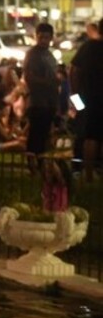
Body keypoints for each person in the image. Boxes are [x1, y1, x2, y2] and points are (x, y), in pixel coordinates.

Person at [23, 23, 63, 209]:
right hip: (37, 102)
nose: (44, 40)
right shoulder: (33, 54)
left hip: (49, 102)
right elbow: (29, 77)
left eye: (47, 37)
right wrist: (48, 82)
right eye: (41, 36)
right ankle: (33, 167)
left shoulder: (50, 56)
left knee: (45, 136)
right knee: (35, 137)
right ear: (37, 36)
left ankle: (42, 168)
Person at [71, 19, 103, 182]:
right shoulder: (89, 47)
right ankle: (92, 174)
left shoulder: (88, 47)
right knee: (94, 138)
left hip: (87, 99)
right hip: (94, 99)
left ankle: (88, 174)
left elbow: (74, 70)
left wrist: (76, 99)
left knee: (90, 137)